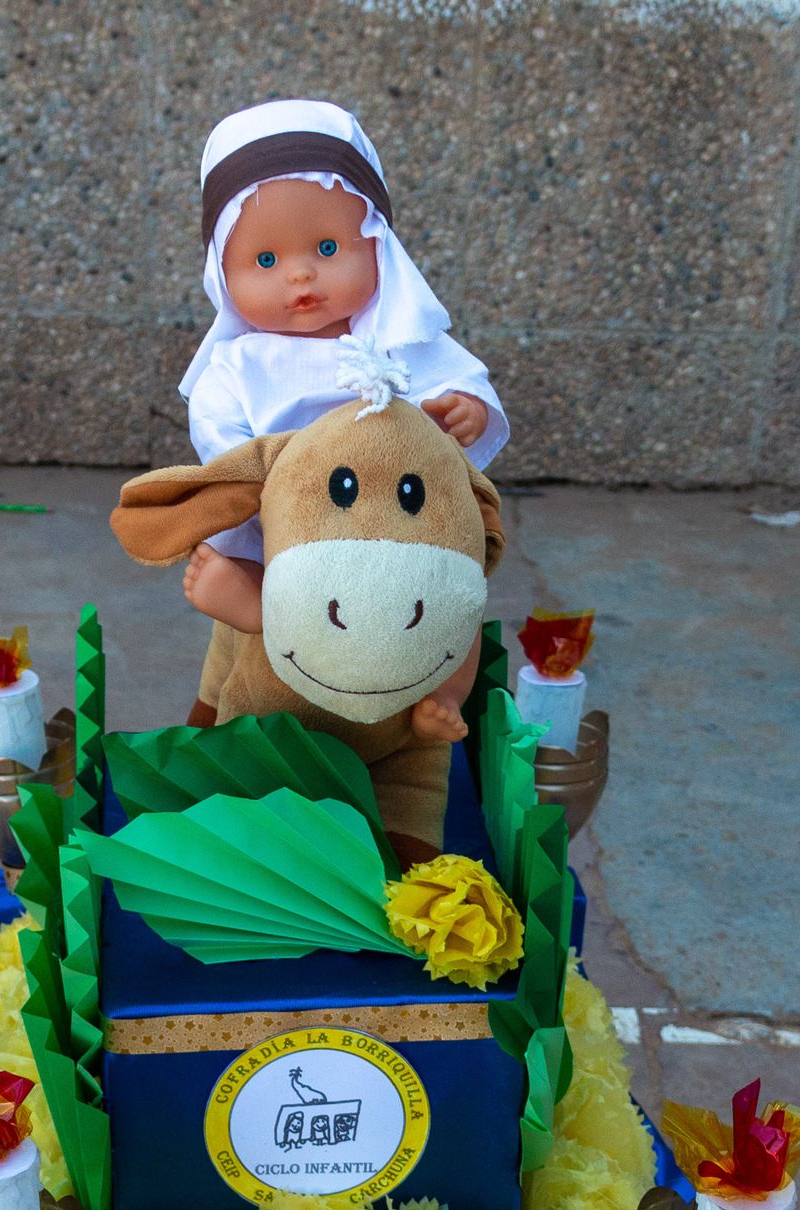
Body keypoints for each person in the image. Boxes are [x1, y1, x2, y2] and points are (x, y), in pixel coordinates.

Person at [181, 97, 508, 744]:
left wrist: (463, 412)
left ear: (377, 243)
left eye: (328, 247)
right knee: (237, 615)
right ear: (223, 274)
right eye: (265, 261)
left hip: (396, 532)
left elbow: (458, 384)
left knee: (452, 600)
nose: (301, 274)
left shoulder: (397, 341)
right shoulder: (239, 366)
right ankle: (234, 657)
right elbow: (223, 445)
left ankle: (443, 693)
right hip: (287, 541)